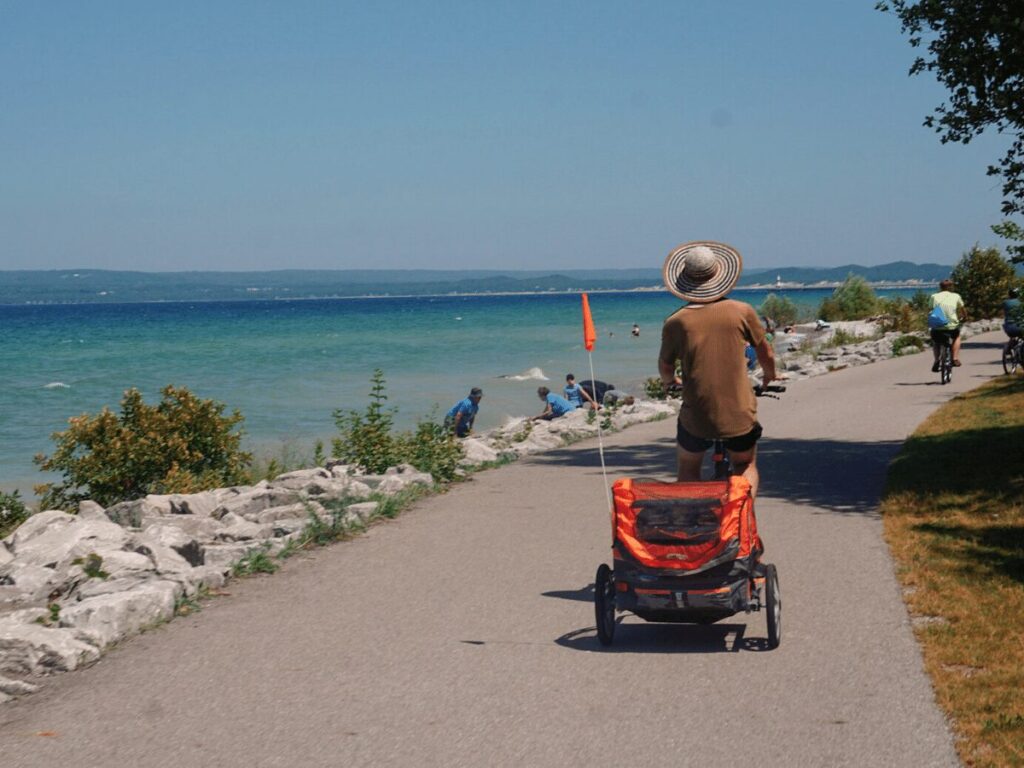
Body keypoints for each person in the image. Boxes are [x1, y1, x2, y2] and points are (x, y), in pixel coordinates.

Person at [658, 242, 777, 497]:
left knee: (689, 466)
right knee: (745, 464)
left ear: (684, 281)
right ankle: (741, 522)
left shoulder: (675, 322)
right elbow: (765, 352)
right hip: (738, 413)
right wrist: (770, 376)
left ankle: (692, 522)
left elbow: (666, 366)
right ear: (720, 275)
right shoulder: (741, 311)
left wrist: (670, 382)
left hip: (696, 415)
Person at [929, 279, 967, 371]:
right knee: (956, 337)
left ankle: (937, 360)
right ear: (951, 287)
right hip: (952, 326)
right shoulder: (956, 296)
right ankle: (954, 358)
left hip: (938, 325)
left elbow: (930, 309)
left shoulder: (934, 296)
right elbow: (962, 310)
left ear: (940, 287)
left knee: (936, 341)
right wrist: (965, 317)